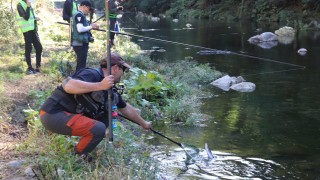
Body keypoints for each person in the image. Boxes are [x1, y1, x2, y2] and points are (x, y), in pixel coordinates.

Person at [39, 52, 152, 160]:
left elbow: (125, 108)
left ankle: (84, 148)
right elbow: (69, 86)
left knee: (107, 115)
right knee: (99, 129)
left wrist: (144, 123)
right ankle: (76, 156)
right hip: (52, 114)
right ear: (115, 68)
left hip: (67, 116)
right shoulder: (92, 74)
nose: (123, 73)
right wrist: (100, 85)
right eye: (123, 69)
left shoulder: (111, 88)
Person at [16, 0, 43, 74]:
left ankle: (38, 68)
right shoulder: (19, 5)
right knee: (28, 49)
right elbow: (26, 17)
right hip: (26, 31)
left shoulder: (29, 4)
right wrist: (28, 6)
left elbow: (30, 17)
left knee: (39, 48)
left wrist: (35, 18)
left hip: (33, 30)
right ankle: (29, 68)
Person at [72, 1, 99, 72]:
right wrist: (91, 26)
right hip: (80, 43)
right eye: (89, 9)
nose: (89, 11)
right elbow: (80, 29)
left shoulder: (80, 15)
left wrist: (91, 26)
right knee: (81, 66)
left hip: (80, 43)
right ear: (84, 6)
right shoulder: (79, 15)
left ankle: (78, 79)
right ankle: (78, 80)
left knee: (81, 65)